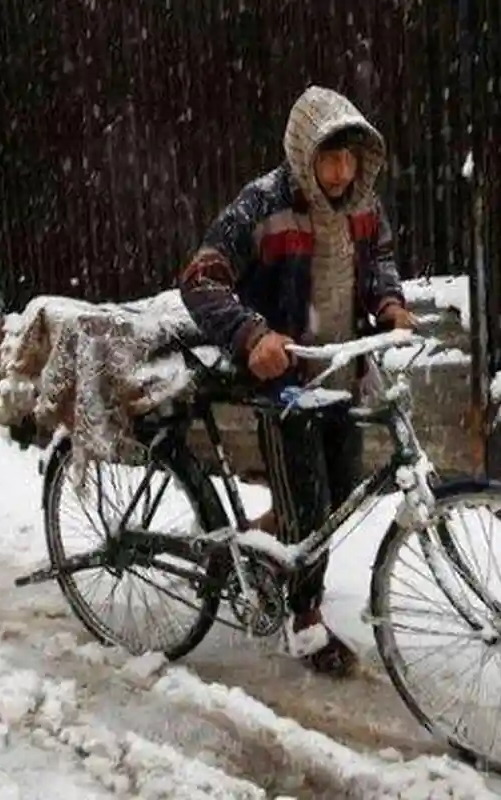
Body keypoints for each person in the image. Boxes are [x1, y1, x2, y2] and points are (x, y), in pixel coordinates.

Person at [177, 86, 416, 677]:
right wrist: (252, 334)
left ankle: (262, 551)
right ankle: (303, 621)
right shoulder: (261, 206)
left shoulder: (365, 208)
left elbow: (379, 262)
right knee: (309, 506)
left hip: (342, 372)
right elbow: (201, 278)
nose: (339, 171)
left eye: (349, 158)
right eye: (328, 158)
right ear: (302, 153)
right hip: (283, 385)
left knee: (337, 496)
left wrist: (389, 304)